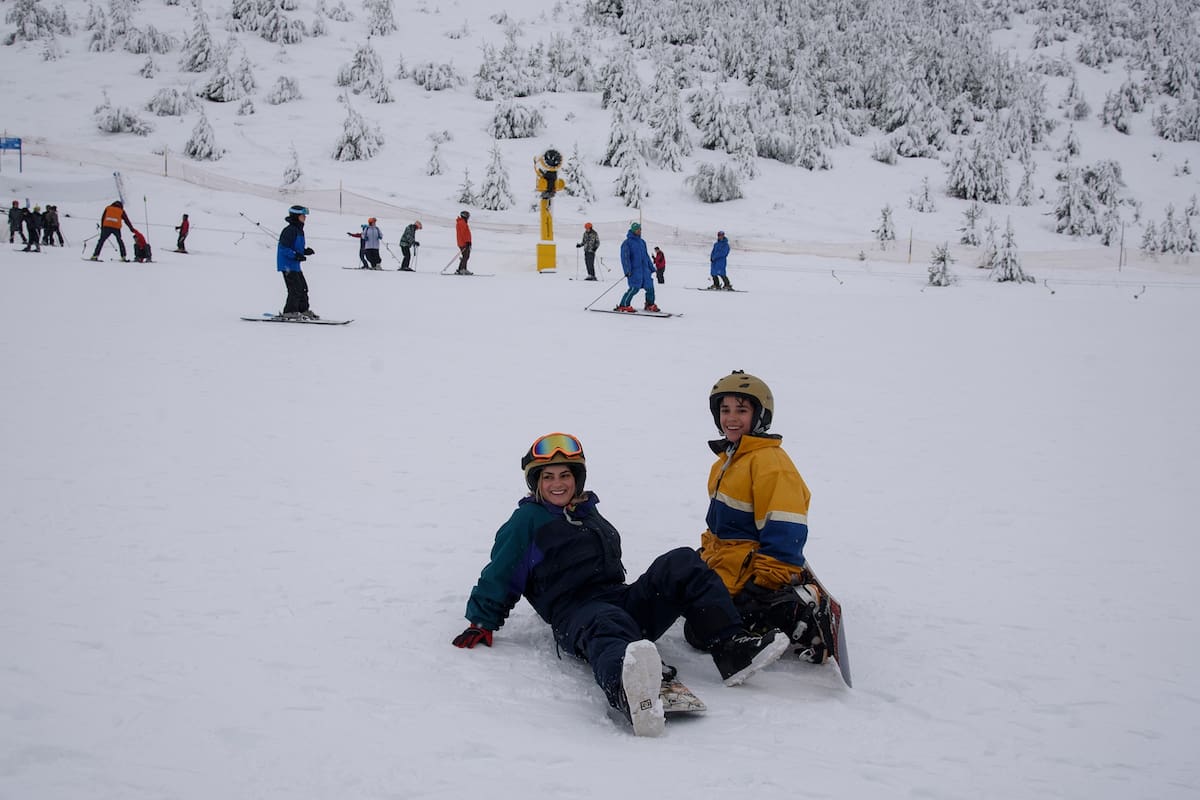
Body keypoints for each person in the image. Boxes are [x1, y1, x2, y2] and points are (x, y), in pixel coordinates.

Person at [452, 432, 789, 737]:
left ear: (577, 478)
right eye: (548, 477)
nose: (558, 483)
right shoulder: (527, 521)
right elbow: (501, 571)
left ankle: (732, 648)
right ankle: (632, 690)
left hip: (621, 600)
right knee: (607, 624)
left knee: (682, 561)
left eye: (565, 475)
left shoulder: (585, 511)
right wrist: (482, 619)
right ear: (536, 483)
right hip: (577, 614)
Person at [685, 371, 827, 664]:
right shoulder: (727, 461)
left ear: (760, 415)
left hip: (753, 572)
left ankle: (790, 608)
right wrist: (704, 557)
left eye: (742, 409)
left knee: (701, 632)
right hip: (728, 564)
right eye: (725, 410)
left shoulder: (771, 465)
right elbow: (719, 527)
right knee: (680, 595)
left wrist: (760, 588)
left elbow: (785, 530)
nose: (731, 418)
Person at [277, 204, 317, 319]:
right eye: (302, 215)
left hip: (294, 265)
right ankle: (289, 311)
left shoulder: (299, 230)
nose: (305, 217)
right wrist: (295, 255)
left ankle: (303, 310)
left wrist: (304, 251)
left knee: (303, 288)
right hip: (287, 265)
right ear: (296, 216)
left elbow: (295, 248)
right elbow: (283, 248)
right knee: (295, 288)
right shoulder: (289, 230)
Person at [616, 222, 659, 312]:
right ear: (633, 230)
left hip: (645, 270)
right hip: (635, 271)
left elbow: (646, 256)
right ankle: (623, 305)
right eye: (637, 229)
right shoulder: (627, 243)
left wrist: (651, 268)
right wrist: (627, 270)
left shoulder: (642, 242)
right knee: (634, 288)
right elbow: (625, 258)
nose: (639, 231)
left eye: (640, 229)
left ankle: (650, 304)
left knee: (650, 288)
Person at [455, 210, 472, 275]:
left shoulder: (462, 222)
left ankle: (463, 269)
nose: (468, 217)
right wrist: (467, 241)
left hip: (463, 242)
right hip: (463, 243)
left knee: (466, 256)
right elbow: (464, 233)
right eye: (467, 216)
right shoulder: (462, 223)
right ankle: (461, 269)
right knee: (466, 256)